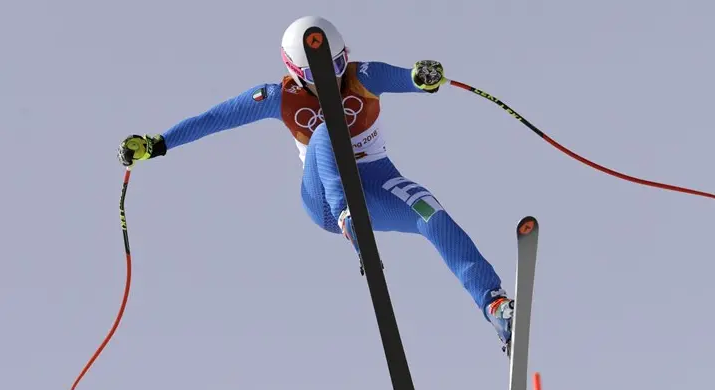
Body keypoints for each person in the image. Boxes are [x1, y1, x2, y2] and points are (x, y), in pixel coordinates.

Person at [116, 15, 516, 355]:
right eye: (317, 76)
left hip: (376, 180)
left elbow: (406, 78)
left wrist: (422, 78)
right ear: (294, 71)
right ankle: (349, 221)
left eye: (338, 66)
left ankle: (493, 306)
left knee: (431, 212)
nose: (334, 79)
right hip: (324, 198)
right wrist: (159, 143)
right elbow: (214, 118)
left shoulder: (364, 77)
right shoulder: (278, 97)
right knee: (328, 130)